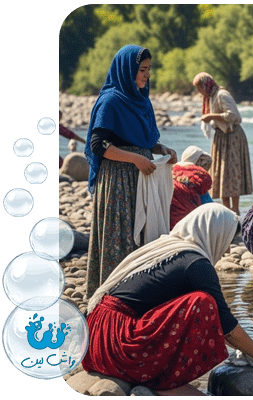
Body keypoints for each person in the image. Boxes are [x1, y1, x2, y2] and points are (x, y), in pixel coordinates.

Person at [82, 204, 253, 395]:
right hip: (117, 345)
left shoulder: (166, 248)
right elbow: (226, 325)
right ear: (213, 233)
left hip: (93, 340)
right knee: (203, 303)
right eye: (227, 240)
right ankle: (165, 383)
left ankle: (161, 376)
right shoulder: (196, 264)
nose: (228, 250)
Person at [84, 44, 177, 298]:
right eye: (142, 69)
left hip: (141, 179)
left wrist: (162, 149)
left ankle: (138, 296)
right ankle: (112, 298)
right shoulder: (112, 101)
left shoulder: (142, 101)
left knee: (142, 239)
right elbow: (98, 144)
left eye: (149, 69)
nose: (147, 75)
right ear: (127, 70)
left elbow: (143, 140)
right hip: (117, 182)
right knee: (122, 237)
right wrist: (135, 159)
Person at [193, 72, 253, 215]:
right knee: (222, 175)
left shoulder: (221, 95)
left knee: (232, 172)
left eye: (199, 88)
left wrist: (211, 116)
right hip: (222, 138)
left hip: (232, 137)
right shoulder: (212, 96)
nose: (199, 92)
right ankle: (227, 210)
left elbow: (233, 115)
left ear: (206, 85)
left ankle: (236, 210)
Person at [170, 145, 214, 229]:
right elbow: (209, 206)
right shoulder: (198, 177)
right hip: (189, 224)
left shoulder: (172, 173)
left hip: (170, 221)